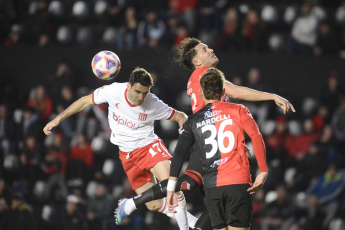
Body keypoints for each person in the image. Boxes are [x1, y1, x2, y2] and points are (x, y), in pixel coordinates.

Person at [115, 37, 294, 230]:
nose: (210, 50)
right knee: (192, 182)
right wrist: (272, 96)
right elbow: (236, 92)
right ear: (197, 61)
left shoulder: (196, 78)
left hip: (207, 137)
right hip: (209, 142)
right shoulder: (206, 73)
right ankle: (133, 203)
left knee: (215, 197)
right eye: (204, 49)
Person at [43, 67, 196, 230]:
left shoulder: (152, 102)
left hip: (149, 147)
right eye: (138, 91)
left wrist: (183, 126)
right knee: (154, 205)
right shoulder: (114, 91)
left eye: (145, 92)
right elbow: (85, 101)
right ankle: (193, 222)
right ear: (129, 86)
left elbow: (181, 116)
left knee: (171, 184)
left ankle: (185, 227)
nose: (141, 97)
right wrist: (57, 119)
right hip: (127, 155)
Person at [166, 67, 268, 230]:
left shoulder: (193, 120)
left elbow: (179, 152)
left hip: (213, 188)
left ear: (201, 93)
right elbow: (256, 136)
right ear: (223, 91)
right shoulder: (239, 110)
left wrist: (171, 188)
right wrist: (262, 171)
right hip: (238, 183)